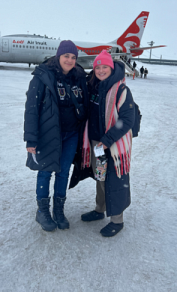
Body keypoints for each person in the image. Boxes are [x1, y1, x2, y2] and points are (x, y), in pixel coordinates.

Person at [24, 40, 88, 232]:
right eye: (66, 56)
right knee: (45, 171)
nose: (69, 60)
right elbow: (32, 109)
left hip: (71, 134)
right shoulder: (43, 76)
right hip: (48, 134)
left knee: (63, 172)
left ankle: (59, 211)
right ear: (58, 56)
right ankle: (42, 211)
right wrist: (31, 138)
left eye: (73, 57)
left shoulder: (78, 77)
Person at [72, 50, 135, 237]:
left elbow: (127, 119)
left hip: (113, 146)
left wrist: (107, 142)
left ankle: (117, 220)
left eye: (104, 67)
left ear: (111, 67)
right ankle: (100, 210)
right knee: (100, 177)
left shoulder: (121, 90)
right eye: (97, 67)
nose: (100, 70)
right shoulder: (94, 87)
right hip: (96, 144)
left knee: (115, 180)